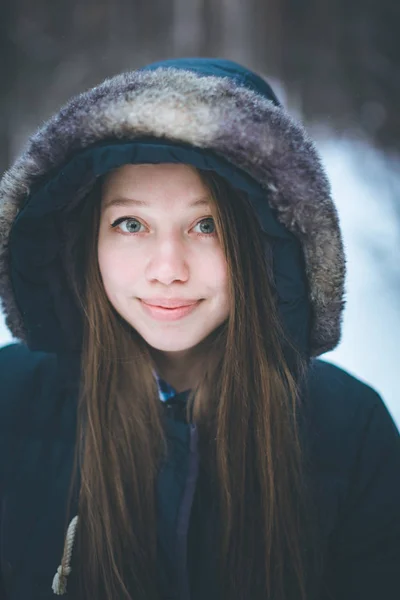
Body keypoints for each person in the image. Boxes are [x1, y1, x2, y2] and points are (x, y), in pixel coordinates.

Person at [0, 58, 399, 600]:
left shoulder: (351, 432)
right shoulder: (11, 401)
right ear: (86, 238)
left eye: (206, 225)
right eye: (131, 224)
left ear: (266, 243)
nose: (168, 268)